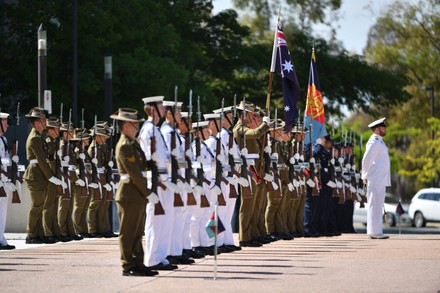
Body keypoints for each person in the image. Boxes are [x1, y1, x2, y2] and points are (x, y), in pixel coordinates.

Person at [111, 108, 159, 277]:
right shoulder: (124, 146)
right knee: (128, 232)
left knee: (138, 232)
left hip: (136, 193)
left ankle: (139, 263)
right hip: (129, 193)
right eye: (134, 124)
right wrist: (147, 192)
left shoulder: (133, 144)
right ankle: (128, 265)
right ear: (125, 126)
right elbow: (134, 173)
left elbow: (143, 166)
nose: (137, 126)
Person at [23, 107, 65, 244]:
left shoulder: (41, 136)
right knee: (37, 206)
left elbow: (47, 154)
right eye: (42, 120)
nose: (45, 122)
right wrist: (51, 177)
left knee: (41, 206)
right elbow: (41, 160)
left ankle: (40, 233)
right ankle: (31, 234)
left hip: (40, 175)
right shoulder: (35, 138)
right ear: (36, 122)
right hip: (35, 175)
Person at [361, 117, 391, 239]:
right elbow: (366, 160)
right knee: (374, 204)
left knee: (378, 205)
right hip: (375, 178)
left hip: (380, 178)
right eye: (383, 127)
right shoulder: (374, 141)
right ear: (377, 129)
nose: (385, 129)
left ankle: (377, 230)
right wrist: (365, 175)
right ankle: (373, 231)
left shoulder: (380, 141)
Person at [0, 111, 17, 250]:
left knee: (3, 210)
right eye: (4, 122)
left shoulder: (3, 140)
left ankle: (1, 238)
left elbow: (5, 160)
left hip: (4, 180)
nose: (7, 125)